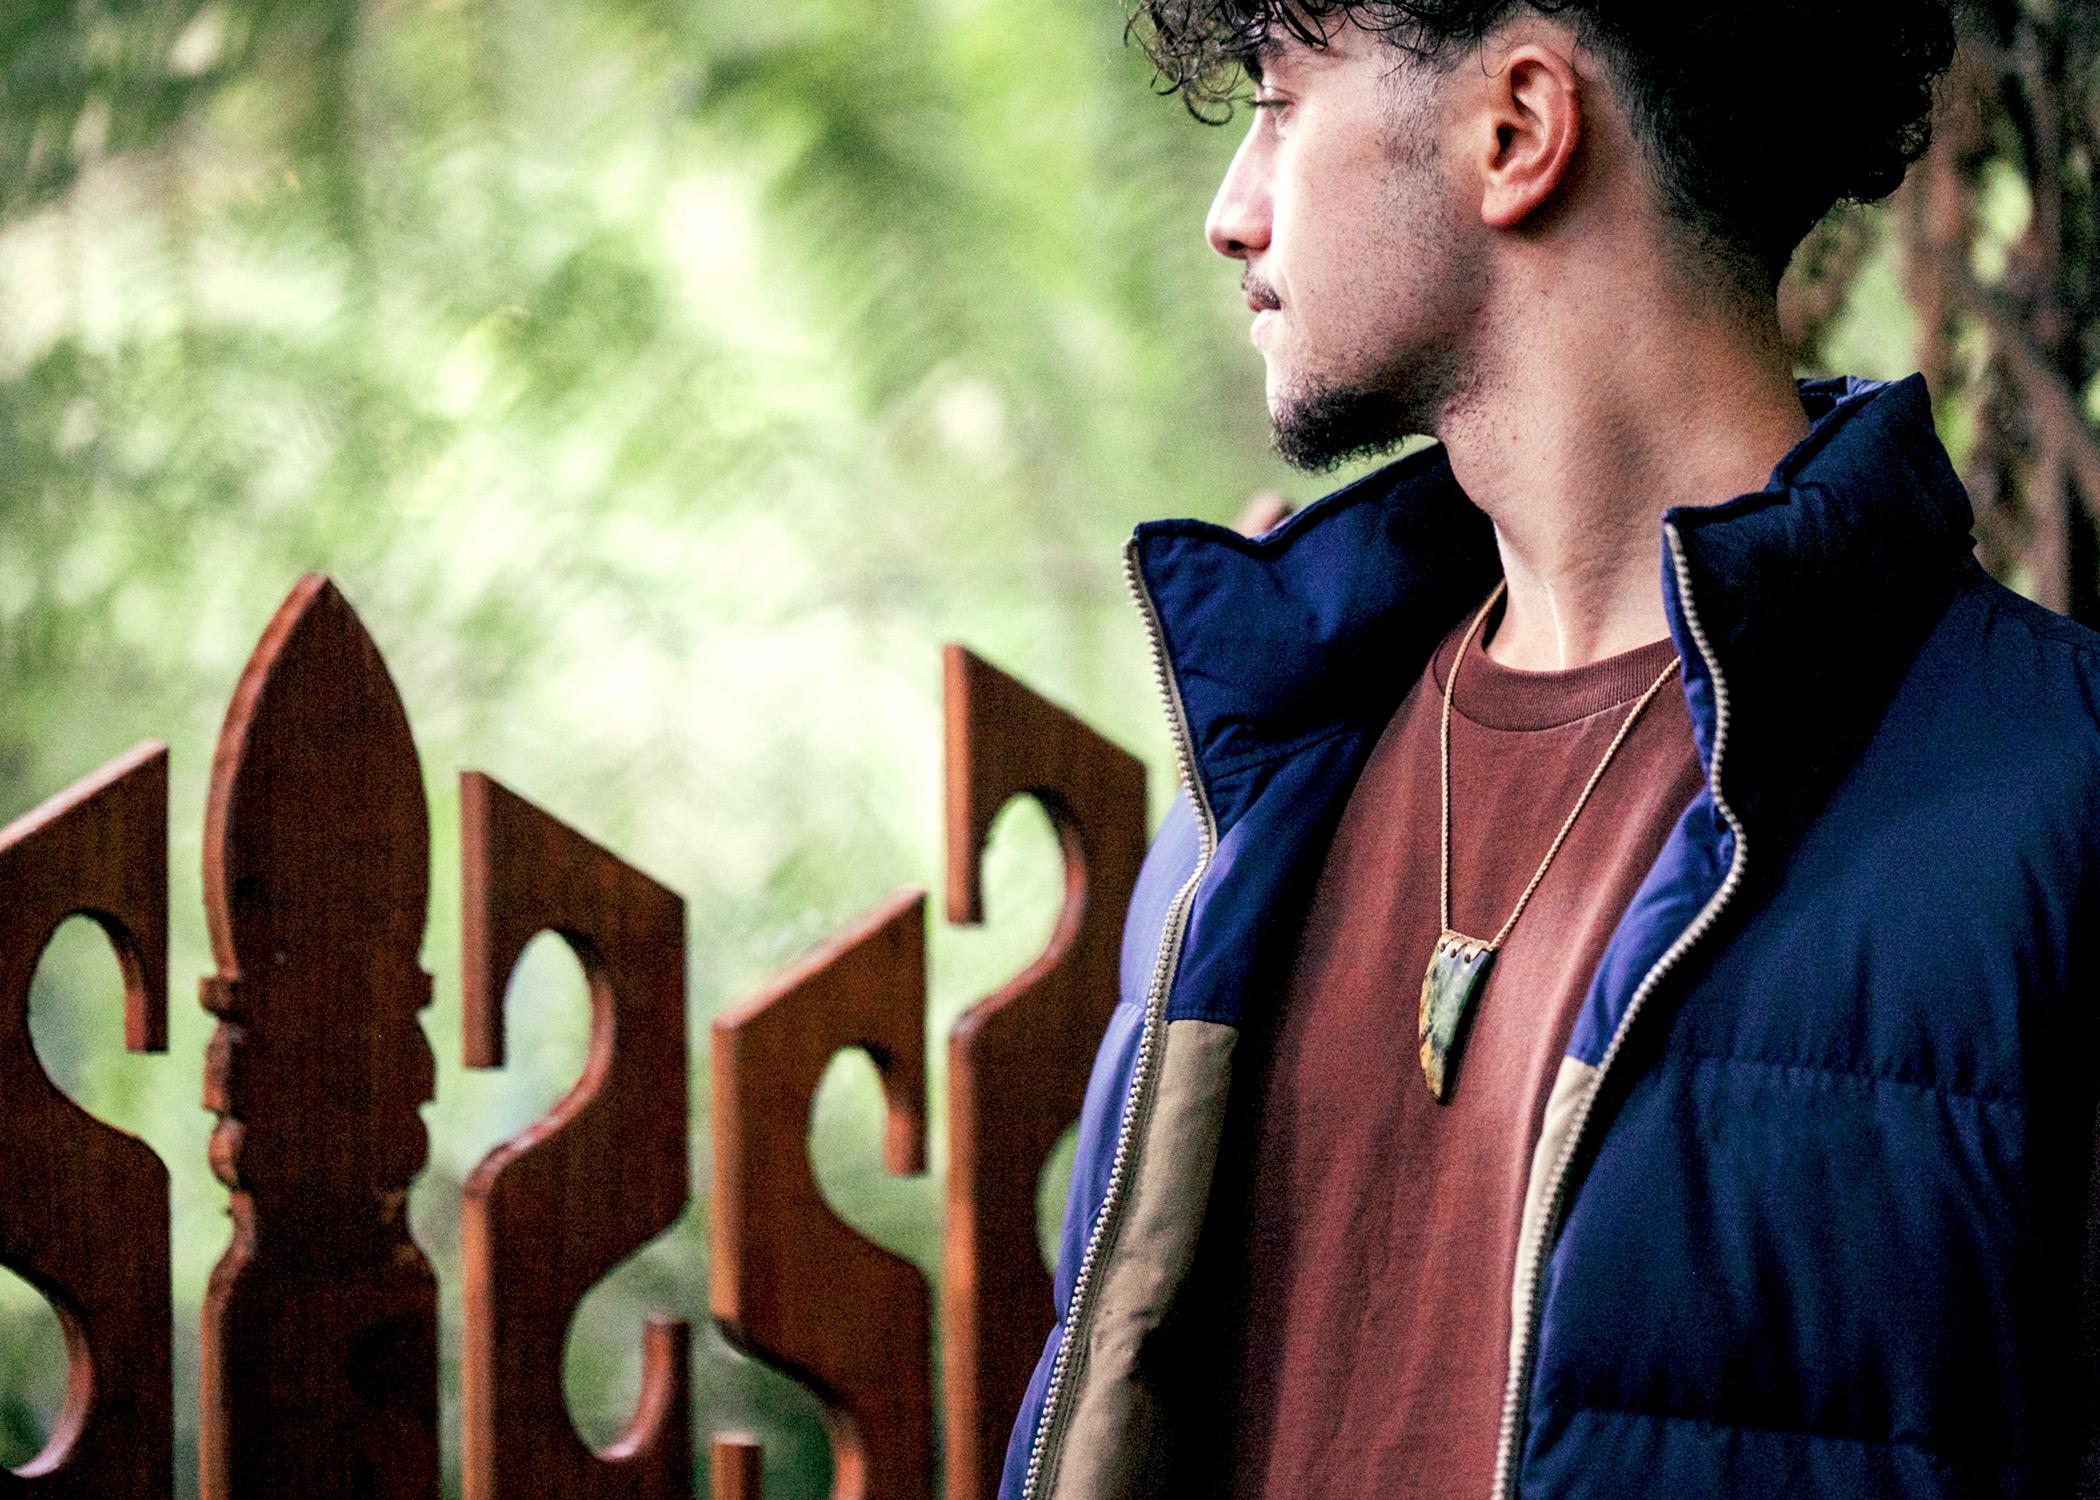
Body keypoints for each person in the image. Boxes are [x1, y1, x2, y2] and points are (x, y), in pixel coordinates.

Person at [995, 2, 2100, 1497]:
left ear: (1517, 129)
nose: (1230, 214)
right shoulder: (1251, 796)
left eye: (1280, 100)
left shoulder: (2060, 807)